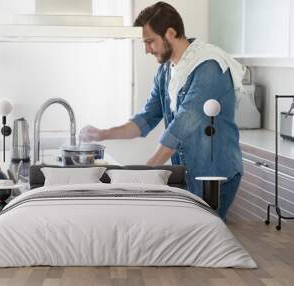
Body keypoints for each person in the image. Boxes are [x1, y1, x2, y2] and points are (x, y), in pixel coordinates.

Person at [79, 1, 245, 220]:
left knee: (202, 240)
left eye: (150, 42)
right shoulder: (167, 71)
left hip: (214, 176)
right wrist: (102, 134)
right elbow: (146, 119)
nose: (147, 49)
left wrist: (139, 175)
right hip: (188, 172)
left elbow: (180, 129)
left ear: (170, 33)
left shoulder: (208, 67)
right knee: (189, 239)